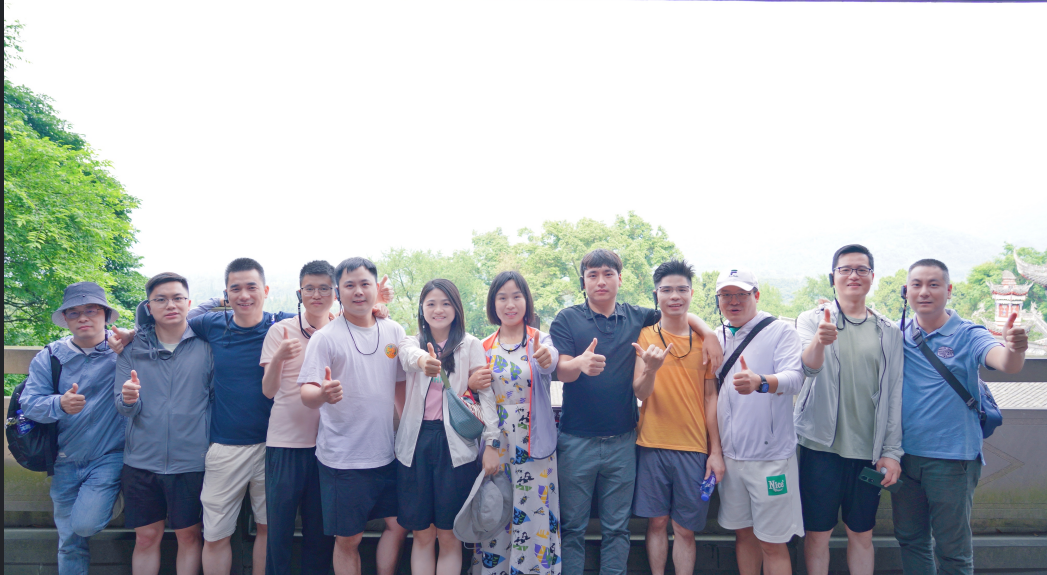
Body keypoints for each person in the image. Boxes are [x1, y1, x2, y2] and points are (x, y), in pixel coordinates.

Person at [549, 248, 723, 575]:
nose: (601, 281)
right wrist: (579, 363)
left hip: (624, 442)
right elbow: (561, 371)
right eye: (592, 275)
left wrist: (709, 331)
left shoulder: (636, 317)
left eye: (608, 274)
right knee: (571, 527)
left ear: (620, 278)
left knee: (617, 527)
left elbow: (674, 310)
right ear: (583, 281)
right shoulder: (567, 319)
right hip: (575, 441)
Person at [892, 259, 1027, 575]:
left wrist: (1015, 348)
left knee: (953, 551)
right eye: (916, 285)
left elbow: (1005, 362)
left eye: (934, 284)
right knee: (910, 541)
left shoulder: (968, 333)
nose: (924, 292)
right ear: (906, 291)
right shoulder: (897, 333)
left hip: (952, 460)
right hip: (903, 457)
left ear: (949, 290)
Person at [793, 245, 903, 575]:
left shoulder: (888, 331)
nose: (853, 275)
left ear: (872, 276)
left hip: (868, 452)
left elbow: (894, 393)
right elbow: (807, 369)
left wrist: (891, 452)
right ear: (833, 277)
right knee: (817, 535)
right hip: (820, 448)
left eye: (861, 269)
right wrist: (820, 341)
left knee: (862, 534)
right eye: (845, 269)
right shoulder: (811, 320)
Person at [299, 257, 409, 575]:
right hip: (343, 461)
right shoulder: (325, 337)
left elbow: (400, 386)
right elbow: (306, 393)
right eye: (349, 285)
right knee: (349, 539)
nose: (358, 291)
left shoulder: (393, 330)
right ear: (338, 292)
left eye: (364, 284)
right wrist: (322, 394)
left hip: (387, 453)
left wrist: (408, 431)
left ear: (376, 288)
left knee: (399, 525)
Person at [19, 282, 127, 573]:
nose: (83, 318)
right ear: (65, 319)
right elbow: (29, 403)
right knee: (69, 542)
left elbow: (166, 326)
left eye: (91, 310)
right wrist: (59, 404)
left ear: (106, 315)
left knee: (85, 524)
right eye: (74, 312)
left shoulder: (123, 349)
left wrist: (131, 338)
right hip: (64, 459)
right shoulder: (51, 357)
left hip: (109, 456)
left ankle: (111, 497)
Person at [395, 279, 497, 575]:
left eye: (445, 303)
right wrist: (424, 361)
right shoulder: (411, 342)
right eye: (431, 304)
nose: (438, 310)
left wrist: (492, 443)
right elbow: (408, 357)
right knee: (422, 535)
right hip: (415, 445)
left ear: (456, 308)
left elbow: (486, 395)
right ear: (422, 309)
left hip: (457, 447)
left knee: (450, 534)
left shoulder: (470, 344)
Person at [115, 272, 212, 575]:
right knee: (145, 537)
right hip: (141, 461)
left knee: (189, 535)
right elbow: (123, 407)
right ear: (149, 306)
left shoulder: (207, 347)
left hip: (191, 461)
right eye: (161, 299)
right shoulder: (132, 349)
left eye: (177, 298)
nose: (170, 305)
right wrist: (129, 398)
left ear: (189, 303)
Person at [631, 260, 723, 575]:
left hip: (694, 447)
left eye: (682, 289)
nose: (674, 296)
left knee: (685, 528)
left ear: (691, 293)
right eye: (667, 290)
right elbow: (640, 392)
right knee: (656, 522)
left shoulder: (706, 341)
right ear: (656, 294)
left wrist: (715, 451)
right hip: (651, 444)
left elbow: (711, 397)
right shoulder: (644, 336)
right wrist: (651, 370)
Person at [713, 268, 804, 575]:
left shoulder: (780, 332)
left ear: (757, 295)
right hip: (731, 458)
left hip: (771, 459)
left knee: (773, 543)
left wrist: (761, 382)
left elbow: (795, 378)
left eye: (741, 294)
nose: (733, 301)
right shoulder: (717, 336)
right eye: (726, 295)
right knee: (744, 535)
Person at [471, 271, 562, 575]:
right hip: (496, 440)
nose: (510, 304)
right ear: (492, 304)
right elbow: (475, 396)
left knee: (535, 508)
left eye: (516, 296)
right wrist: (471, 382)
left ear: (527, 300)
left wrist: (547, 358)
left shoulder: (540, 339)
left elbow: (551, 358)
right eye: (502, 297)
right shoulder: (483, 346)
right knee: (496, 506)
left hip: (535, 439)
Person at [258, 261, 338, 575]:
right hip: (285, 444)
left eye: (324, 288)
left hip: (328, 448)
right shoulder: (280, 331)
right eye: (309, 288)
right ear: (300, 292)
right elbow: (268, 391)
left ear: (335, 293)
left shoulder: (342, 329)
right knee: (278, 531)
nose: (316, 295)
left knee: (321, 534)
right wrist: (279, 357)